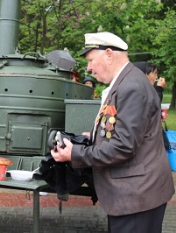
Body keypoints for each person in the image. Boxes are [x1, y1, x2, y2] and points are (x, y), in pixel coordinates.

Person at [51, 32, 174, 233]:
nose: (88, 67)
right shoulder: (126, 81)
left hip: (137, 197)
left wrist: (74, 153)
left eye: (91, 60)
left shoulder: (131, 87)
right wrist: (94, 136)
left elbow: (123, 146)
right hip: (136, 195)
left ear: (109, 54)